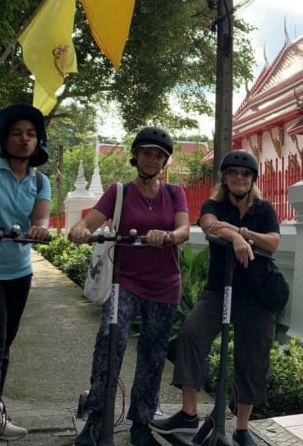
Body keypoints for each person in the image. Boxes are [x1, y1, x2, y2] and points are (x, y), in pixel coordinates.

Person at [68, 127, 190, 446]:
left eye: (159, 155)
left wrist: (168, 236)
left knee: (152, 354)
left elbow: (184, 228)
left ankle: (141, 422)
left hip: (165, 285)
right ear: (135, 155)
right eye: (147, 153)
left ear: (165, 161)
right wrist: (80, 230)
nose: (152, 159)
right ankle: (96, 417)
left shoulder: (174, 192)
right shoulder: (118, 191)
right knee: (111, 340)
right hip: (125, 283)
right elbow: (88, 223)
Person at [150, 149, 280, 446]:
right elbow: (209, 224)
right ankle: (188, 411)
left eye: (245, 174)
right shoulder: (214, 203)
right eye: (232, 172)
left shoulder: (264, 209)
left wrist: (242, 232)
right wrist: (236, 238)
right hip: (219, 289)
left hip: (256, 295)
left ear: (252, 179)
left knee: (253, 357)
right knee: (191, 334)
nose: (238, 178)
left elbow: (273, 242)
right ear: (224, 176)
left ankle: (243, 427)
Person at [0, 103, 51, 443]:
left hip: (18, 271)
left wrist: (39, 230)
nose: (24, 140)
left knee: (4, 344)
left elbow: (41, 219)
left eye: (31, 134)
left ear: (39, 142)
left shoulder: (40, 181)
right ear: (4, 139)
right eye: (17, 134)